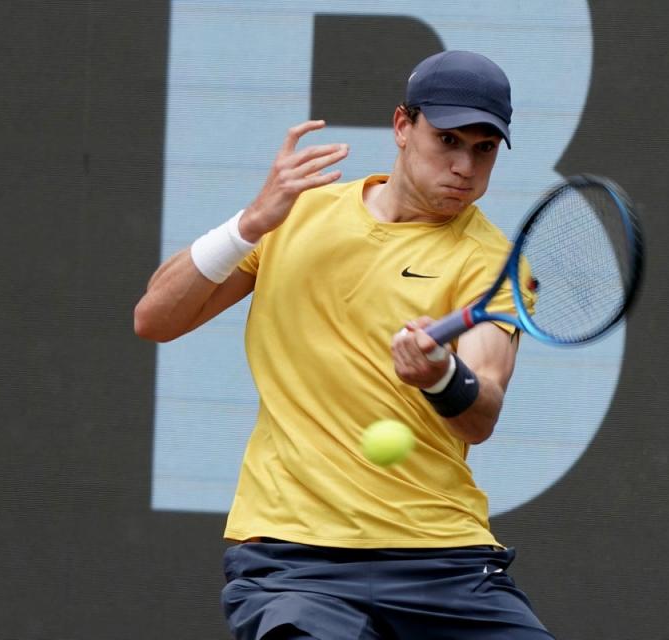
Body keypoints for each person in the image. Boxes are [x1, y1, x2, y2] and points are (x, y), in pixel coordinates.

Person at [135, 50, 553, 640]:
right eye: (448, 140)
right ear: (403, 127)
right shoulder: (296, 213)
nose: (464, 166)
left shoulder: (497, 265)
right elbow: (155, 318)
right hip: (297, 558)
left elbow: (479, 413)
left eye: (483, 149)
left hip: (442, 559)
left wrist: (438, 378)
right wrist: (249, 223)